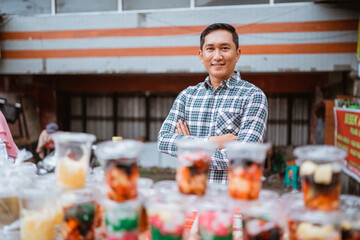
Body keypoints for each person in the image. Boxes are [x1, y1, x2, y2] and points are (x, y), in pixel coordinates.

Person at [157, 23, 268, 184]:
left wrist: (189, 147)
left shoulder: (253, 96)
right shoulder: (187, 96)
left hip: (232, 201)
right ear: (201, 56)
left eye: (224, 48)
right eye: (210, 49)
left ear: (237, 54)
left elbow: (245, 155)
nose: (217, 56)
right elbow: (163, 140)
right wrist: (212, 143)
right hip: (192, 196)